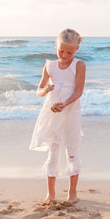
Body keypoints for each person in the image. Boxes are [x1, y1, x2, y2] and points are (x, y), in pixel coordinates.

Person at [30, 28, 86, 204]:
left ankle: (72, 193)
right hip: (52, 113)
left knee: (72, 151)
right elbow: (39, 91)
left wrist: (65, 104)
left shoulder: (79, 65)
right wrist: (46, 90)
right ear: (56, 46)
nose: (64, 55)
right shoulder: (50, 66)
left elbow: (78, 91)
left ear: (76, 49)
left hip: (70, 113)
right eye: (61, 51)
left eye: (69, 52)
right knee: (53, 153)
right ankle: (51, 194)